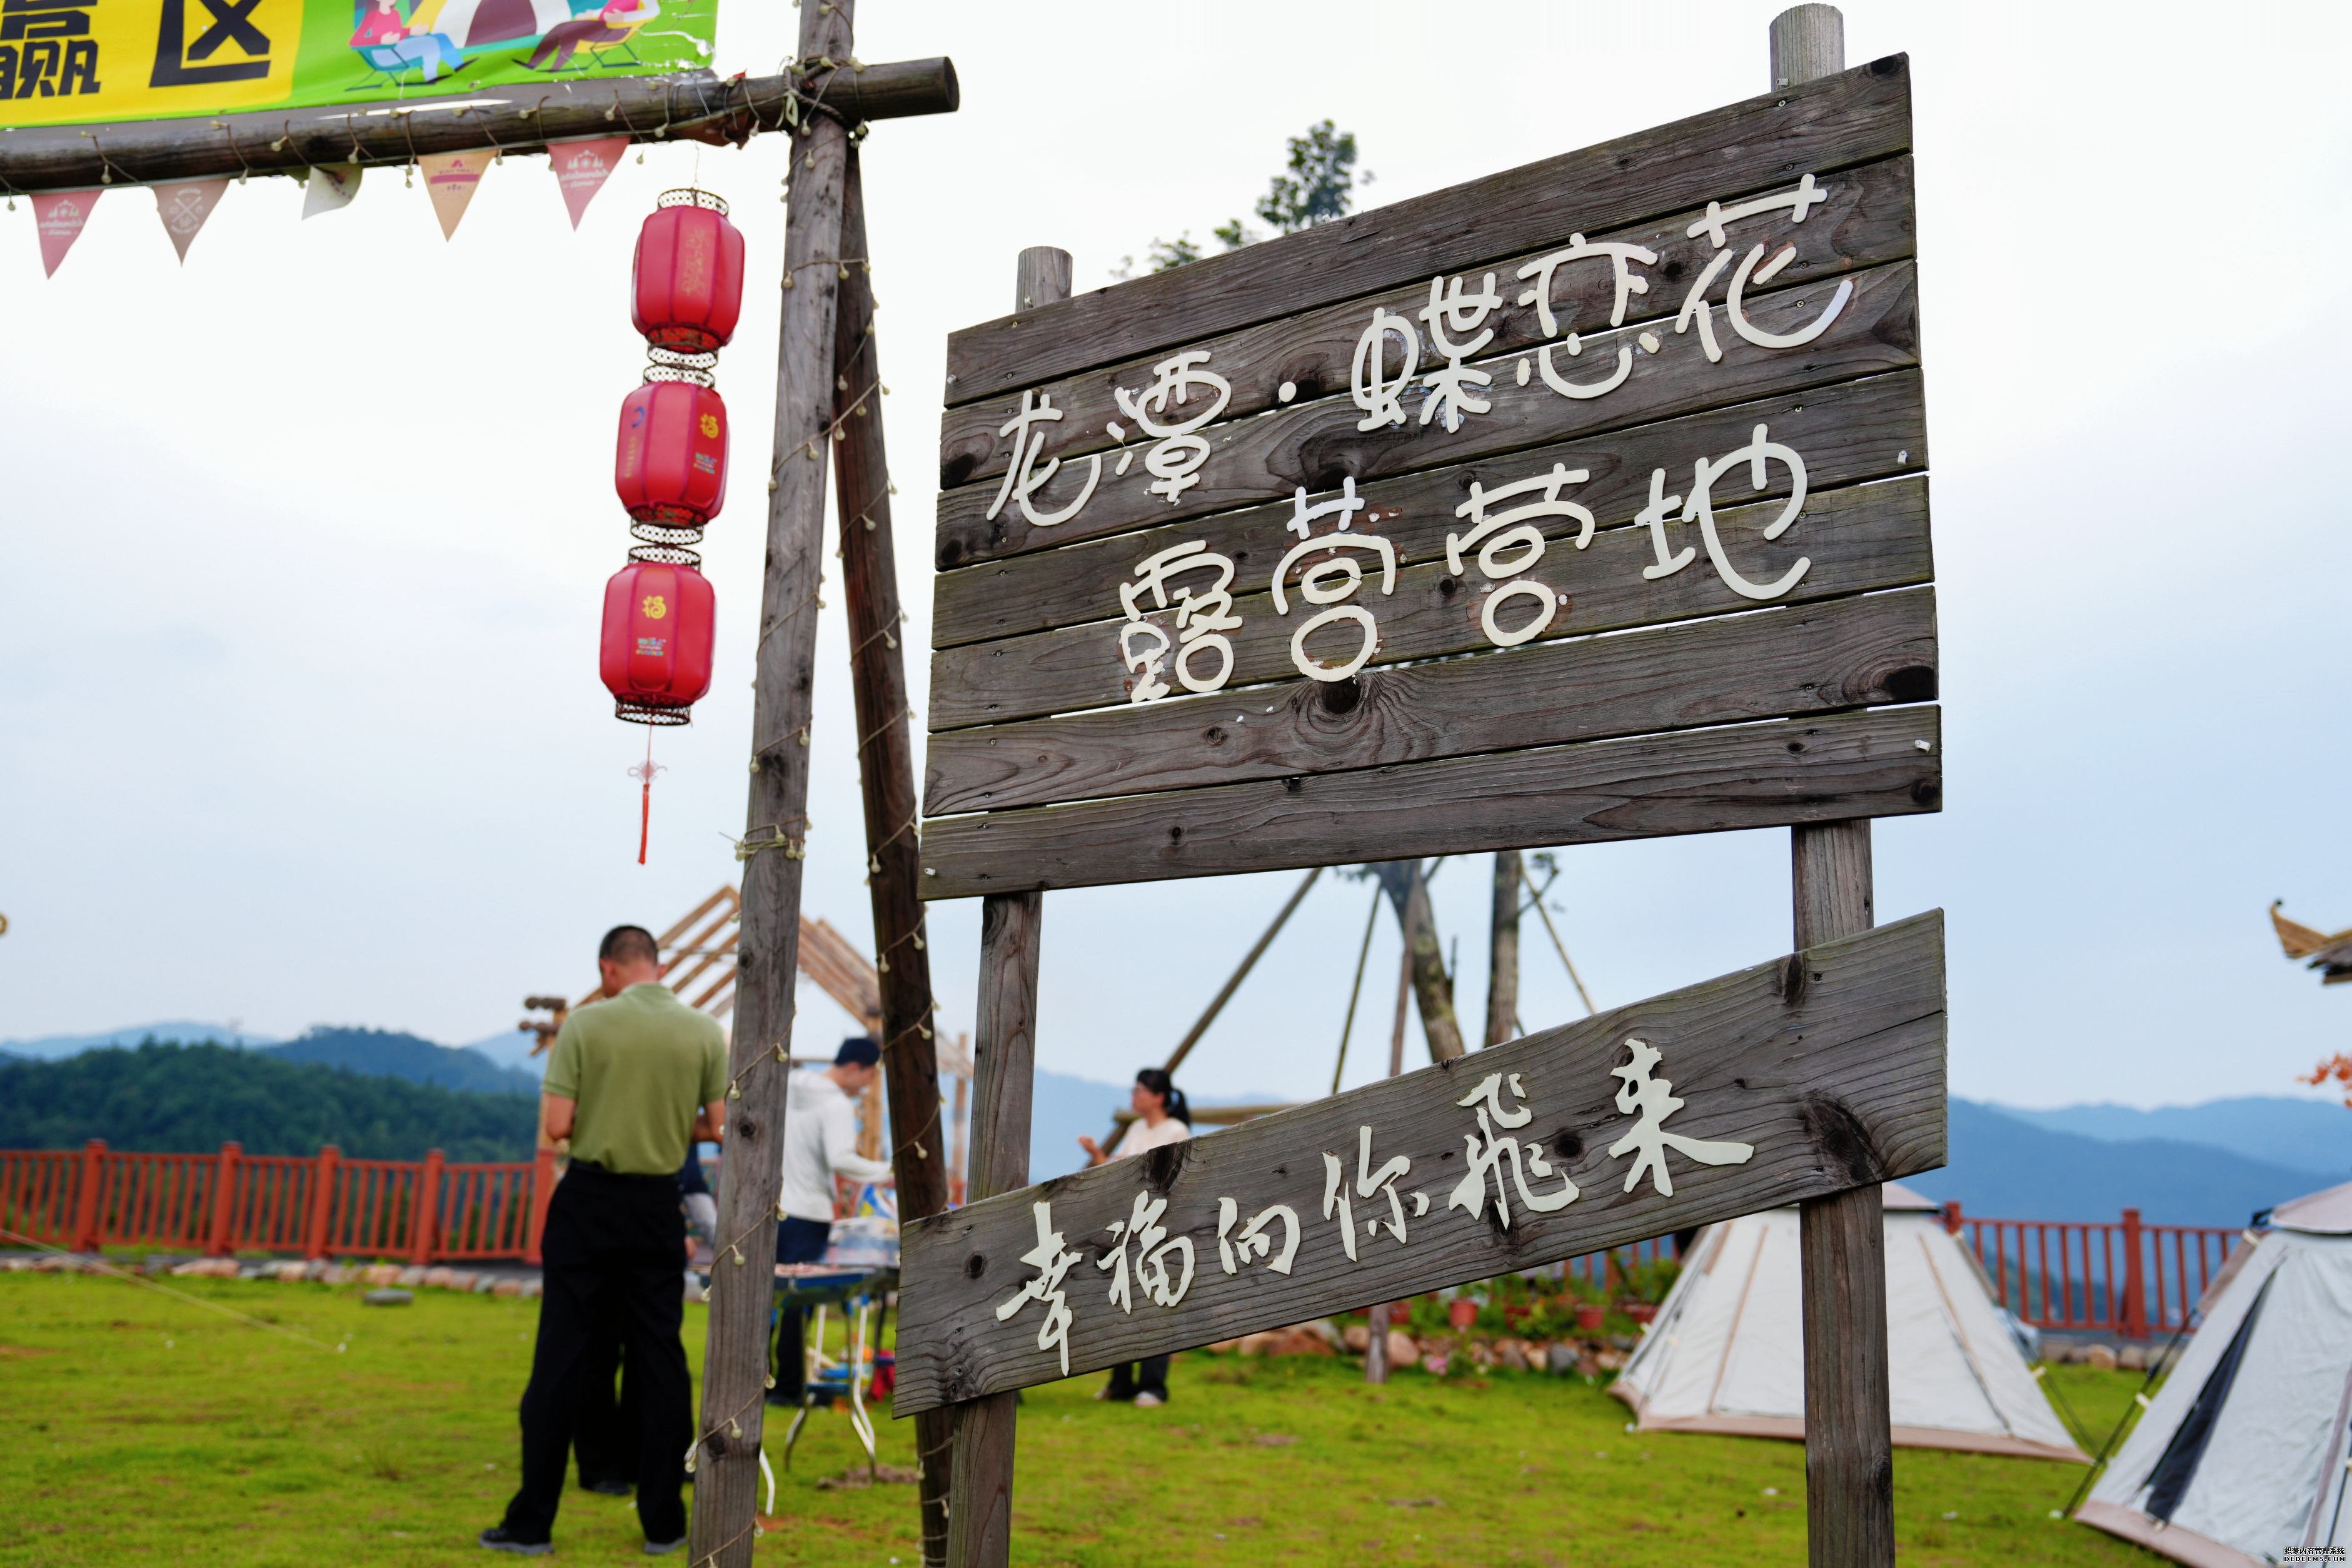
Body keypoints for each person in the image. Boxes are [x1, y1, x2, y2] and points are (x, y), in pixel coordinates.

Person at [480, 925, 726, 1558]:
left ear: (608, 969)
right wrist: (668, 1116)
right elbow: (722, 1126)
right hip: (655, 1207)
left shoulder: (585, 1027)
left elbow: (557, 1125)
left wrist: (607, 1107)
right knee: (660, 1362)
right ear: (657, 965)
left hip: (588, 1204)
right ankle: (665, 1523)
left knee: (559, 1360)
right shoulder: (703, 1031)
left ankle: (532, 1522)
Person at [770, 1037, 893, 1405]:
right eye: (871, 1077)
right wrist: (889, 1170)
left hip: (770, 1207)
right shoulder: (837, 1105)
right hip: (808, 1213)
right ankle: (790, 1387)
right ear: (856, 1067)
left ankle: (754, 1380)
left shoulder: (788, 1085)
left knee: (762, 1299)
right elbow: (841, 1159)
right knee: (798, 1303)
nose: (869, 1087)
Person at [1077, 1068, 1192, 1407]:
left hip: (1161, 1228)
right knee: (1121, 1302)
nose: (1135, 1095)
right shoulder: (1136, 1129)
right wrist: (1098, 1155)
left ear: (1159, 1097)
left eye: (1141, 1090)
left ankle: (1153, 1386)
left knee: (1157, 1303)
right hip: (1128, 1227)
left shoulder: (1177, 1131)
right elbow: (1120, 1170)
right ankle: (1121, 1382)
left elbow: (1173, 1180)